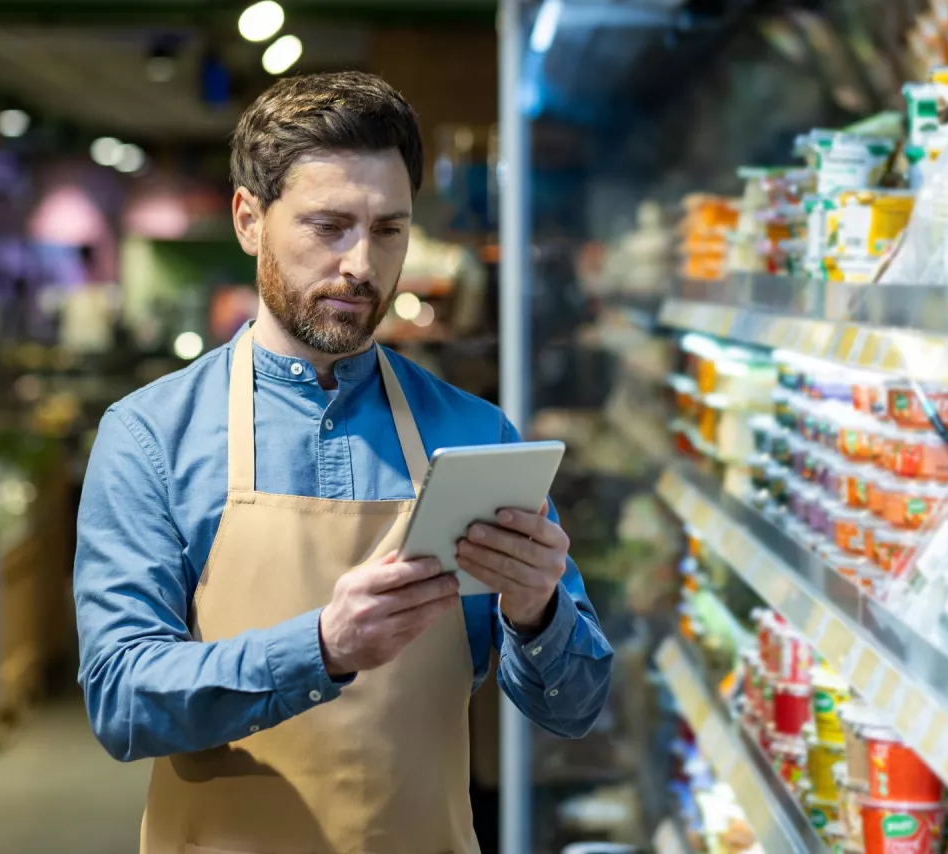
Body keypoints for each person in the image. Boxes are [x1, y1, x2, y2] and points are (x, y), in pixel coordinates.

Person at [74, 71, 614, 854]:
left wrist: (537, 612)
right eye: (329, 226)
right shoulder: (152, 437)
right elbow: (123, 703)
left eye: (388, 230)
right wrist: (321, 647)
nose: (362, 265)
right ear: (249, 219)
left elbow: (578, 705)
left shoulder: (475, 435)